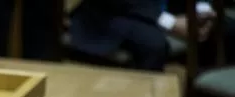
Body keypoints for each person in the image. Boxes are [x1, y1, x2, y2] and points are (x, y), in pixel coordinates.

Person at [69, 0, 231, 71]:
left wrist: (201, 11)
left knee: (226, 29)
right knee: (153, 45)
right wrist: (171, 23)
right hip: (113, 12)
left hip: (168, 8)